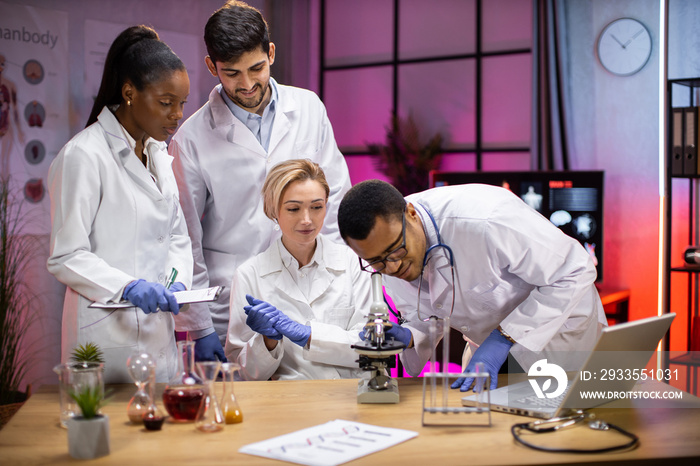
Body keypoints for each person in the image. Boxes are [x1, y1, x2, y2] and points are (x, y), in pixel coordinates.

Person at [170, 1, 351, 362]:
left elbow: (334, 201)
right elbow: (186, 236)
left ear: (271, 53)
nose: (248, 84)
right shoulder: (190, 139)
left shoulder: (309, 108)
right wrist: (200, 326)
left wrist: (340, 280)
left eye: (256, 68)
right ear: (211, 66)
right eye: (232, 73)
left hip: (310, 287)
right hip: (235, 298)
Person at [337, 180, 607, 391]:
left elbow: (575, 269)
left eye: (396, 252)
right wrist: (410, 335)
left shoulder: (487, 220)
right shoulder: (386, 248)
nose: (392, 268)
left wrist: (503, 339)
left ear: (410, 213)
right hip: (486, 356)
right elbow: (433, 311)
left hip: (560, 340)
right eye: (377, 262)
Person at [47, 26, 192, 383]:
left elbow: (175, 236)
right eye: (165, 103)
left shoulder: (159, 153)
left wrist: (176, 284)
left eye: (182, 104)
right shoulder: (83, 155)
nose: (177, 115)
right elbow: (66, 256)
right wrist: (126, 287)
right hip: (105, 337)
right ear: (129, 93)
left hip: (158, 334)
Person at [225, 159, 370, 380]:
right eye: (294, 208)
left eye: (316, 207)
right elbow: (242, 374)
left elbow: (371, 348)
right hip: (287, 403)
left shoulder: (353, 262)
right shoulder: (249, 274)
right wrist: (267, 342)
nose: (307, 220)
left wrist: (310, 336)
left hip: (350, 397)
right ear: (273, 210)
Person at [0, 53, 25, 177]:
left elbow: (15, 109)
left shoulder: (10, 85)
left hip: (7, 127)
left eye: (2, 64)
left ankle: (4, 194)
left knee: (4, 161)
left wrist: (20, 130)